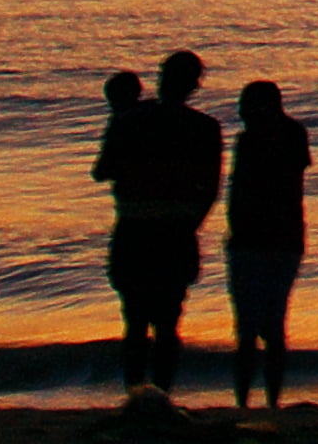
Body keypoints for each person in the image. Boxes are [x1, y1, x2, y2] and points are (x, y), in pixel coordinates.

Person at [90, 50, 223, 403]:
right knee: (167, 323)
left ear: (162, 77)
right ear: (194, 85)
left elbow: (102, 170)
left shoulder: (131, 120)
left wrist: (120, 119)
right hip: (176, 232)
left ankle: (135, 394)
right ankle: (162, 394)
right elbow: (210, 189)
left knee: (134, 320)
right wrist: (188, 224)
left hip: (134, 227)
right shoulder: (205, 128)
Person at [225, 80, 313, 415]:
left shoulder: (262, 139)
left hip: (260, 240)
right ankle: (261, 402)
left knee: (254, 326)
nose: (242, 114)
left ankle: (250, 402)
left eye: (246, 107)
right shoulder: (291, 135)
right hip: (279, 239)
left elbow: (243, 189)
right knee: (266, 325)